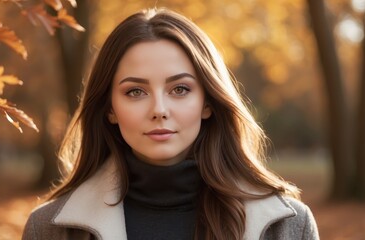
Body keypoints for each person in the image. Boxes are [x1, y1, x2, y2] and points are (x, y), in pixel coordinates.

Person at [22, 7, 319, 240]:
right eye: (135, 92)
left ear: (207, 103)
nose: (159, 110)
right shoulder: (48, 229)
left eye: (180, 89)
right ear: (110, 109)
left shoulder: (288, 226)